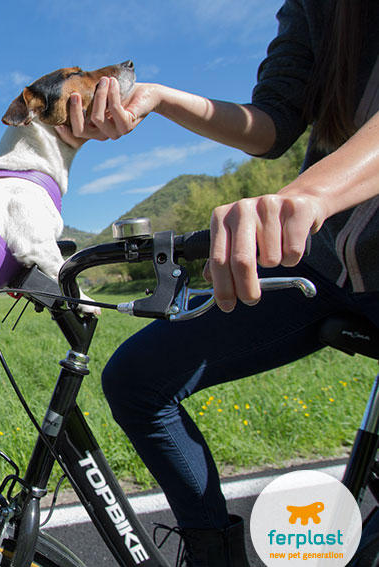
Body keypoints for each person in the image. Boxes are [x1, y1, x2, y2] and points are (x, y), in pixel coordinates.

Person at [55, 1, 379, 566]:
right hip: (322, 260)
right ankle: (213, 556)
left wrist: (304, 197)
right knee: (138, 379)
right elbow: (271, 125)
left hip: (319, 229)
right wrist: (158, 96)